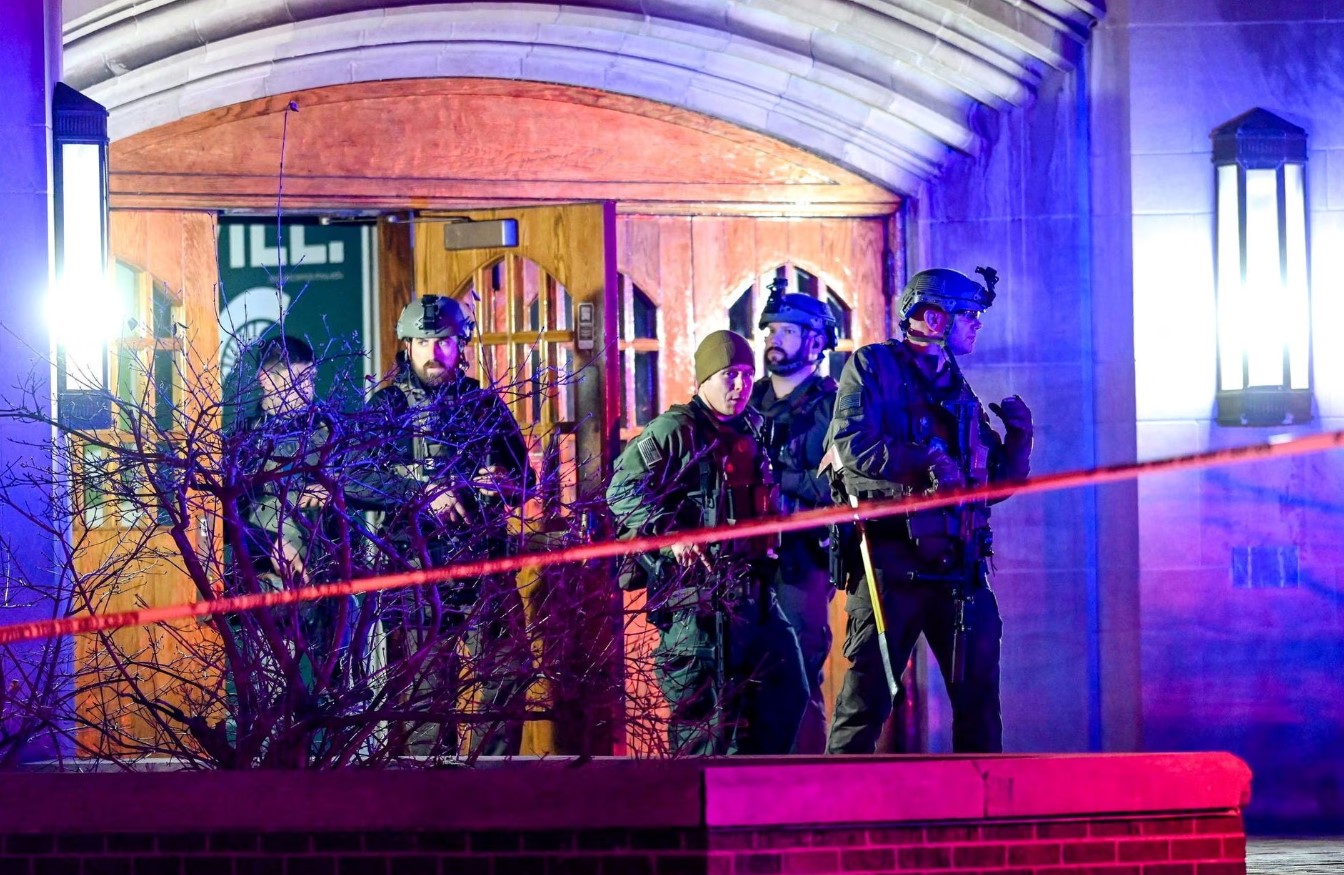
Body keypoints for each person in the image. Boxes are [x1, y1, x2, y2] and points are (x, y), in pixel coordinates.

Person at [824, 267, 1033, 754]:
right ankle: (832, 818)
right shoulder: (874, 367)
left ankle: (978, 822)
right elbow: (853, 445)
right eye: (969, 315)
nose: (977, 324)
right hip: (892, 567)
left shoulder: (958, 389)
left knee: (979, 704)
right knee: (866, 703)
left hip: (959, 569)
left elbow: (989, 487)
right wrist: (926, 462)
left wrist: (1019, 441)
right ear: (933, 316)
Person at [607, 329, 808, 756]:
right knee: (707, 730)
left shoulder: (753, 426)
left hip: (755, 594)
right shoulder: (674, 429)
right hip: (697, 602)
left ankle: (757, 808)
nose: (740, 385)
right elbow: (621, 490)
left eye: (748, 375)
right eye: (729, 375)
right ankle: (699, 817)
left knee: (786, 692)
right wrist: (671, 533)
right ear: (703, 379)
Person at [365, 294, 536, 758]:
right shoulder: (384, 408)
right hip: (416, 570)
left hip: (484, 566)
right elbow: (354, 478)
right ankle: (432, 801)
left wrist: (497, 484)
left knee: (509, 670)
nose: (434, 352)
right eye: (423, 340)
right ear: (406, 344)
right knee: (426, 694)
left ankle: (491, 786)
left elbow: (526, 481)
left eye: (443, 341)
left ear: (461, 344)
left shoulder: (483, 405)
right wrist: (422, 491)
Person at [748, 280, 839, 754]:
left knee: (798, 674)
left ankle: (806, 790)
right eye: (771, 331)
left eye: (787, 331)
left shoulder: (834, 408)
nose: (774, 339)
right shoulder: (743, 400)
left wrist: (778, 477)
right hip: (741, 561)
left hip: (800, 560)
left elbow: (834, 486)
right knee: (742, 674)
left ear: (817, 342)